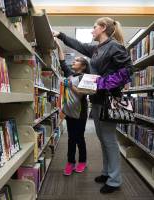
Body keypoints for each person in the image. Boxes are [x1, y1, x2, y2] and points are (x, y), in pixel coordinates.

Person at [53, 17, 133, 194]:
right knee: (103, 139)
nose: (92, 30)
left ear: (103, 28)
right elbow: (79, 45)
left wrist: (102, 83)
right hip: (97, 100)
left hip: (109, 100)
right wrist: (60, 35)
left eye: (94, 27)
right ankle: (107, 172)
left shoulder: (115, 46)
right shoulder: (98, 49)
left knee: (109, 140)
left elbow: (127, 71)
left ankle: (115, 180)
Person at [55, 39, 90, 176]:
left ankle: (82, 161)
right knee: (71, 138)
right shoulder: (70, 74)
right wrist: (58, 44)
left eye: (76, 61)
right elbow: (62, 61)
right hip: (69, 112)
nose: (73, 62)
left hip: (80, 113)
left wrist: (70, 85)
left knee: (79, 137)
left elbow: (82, 94)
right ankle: (70, 162)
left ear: (83, 66)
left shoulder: (85, 78)